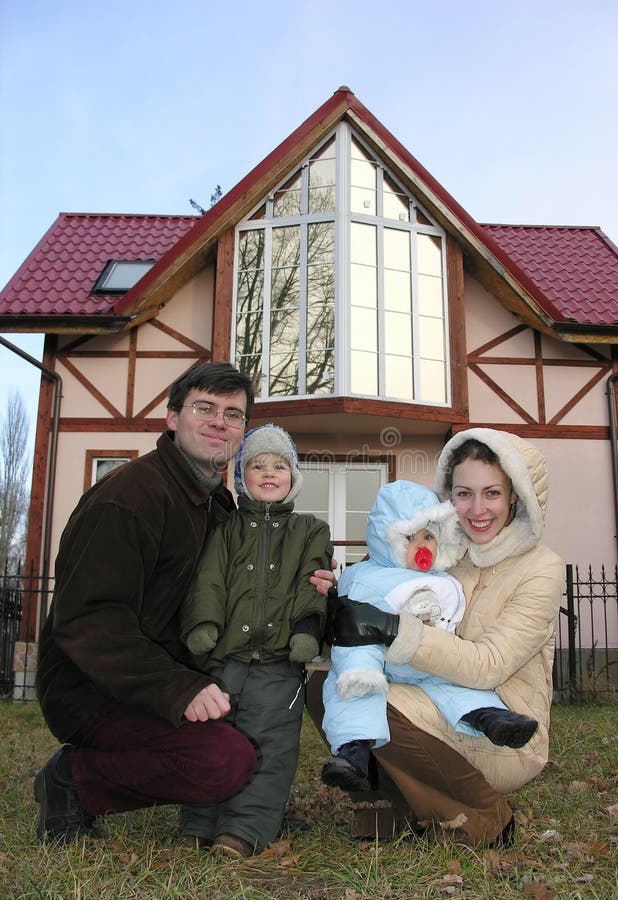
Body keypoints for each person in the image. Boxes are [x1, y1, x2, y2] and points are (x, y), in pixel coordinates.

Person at [33, 361, 335, 845]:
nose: (219, 421)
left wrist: (310, 588)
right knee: (222, 761)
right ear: (172, 417)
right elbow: (89, 621)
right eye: (205, 407)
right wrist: (177, 688)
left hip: (176, 674)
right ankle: (71, 780)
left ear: (241, 433)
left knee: (251, 735)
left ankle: (249, 808)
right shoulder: (129, 498)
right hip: (91, 686)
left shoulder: (219, 506)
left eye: (233, 414)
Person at [309, 428, 565, 848]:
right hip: (430, 697)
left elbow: (489, 665)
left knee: (379, 700)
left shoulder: (541, 568)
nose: (477, 509)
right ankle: (393, 810)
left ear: (516, 496)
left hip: (502, 725)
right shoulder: (443, 554)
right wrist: (339, 601)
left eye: (492, 494)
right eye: (464, 494)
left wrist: (391, 628)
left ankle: (484, 819)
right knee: (329, 684)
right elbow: (381, 584)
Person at [320, 480, 538, 792]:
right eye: (410, 537)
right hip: (376, 661)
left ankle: (492, 719)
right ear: (387, 538)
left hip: (428, 662)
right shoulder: (366, 576)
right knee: (352, 690)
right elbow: (347, 621)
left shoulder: (441, 578)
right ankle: (353, 752)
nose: (422, 546)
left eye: (429, 536)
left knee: (456, 684)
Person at [178, 424, 333, 856]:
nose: (268, 472)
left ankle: (245, 828)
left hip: (279, 665)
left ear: (293, 476)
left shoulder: (309, 531)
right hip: (224, 661)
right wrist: (203, 624)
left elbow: (312, 580)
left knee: (270, 744)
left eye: (279, 465)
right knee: (212, 739)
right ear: (241, 477)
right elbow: (208, 580)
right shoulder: (226, 529)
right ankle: (198, 821)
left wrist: (307, 629)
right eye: (257, 465)